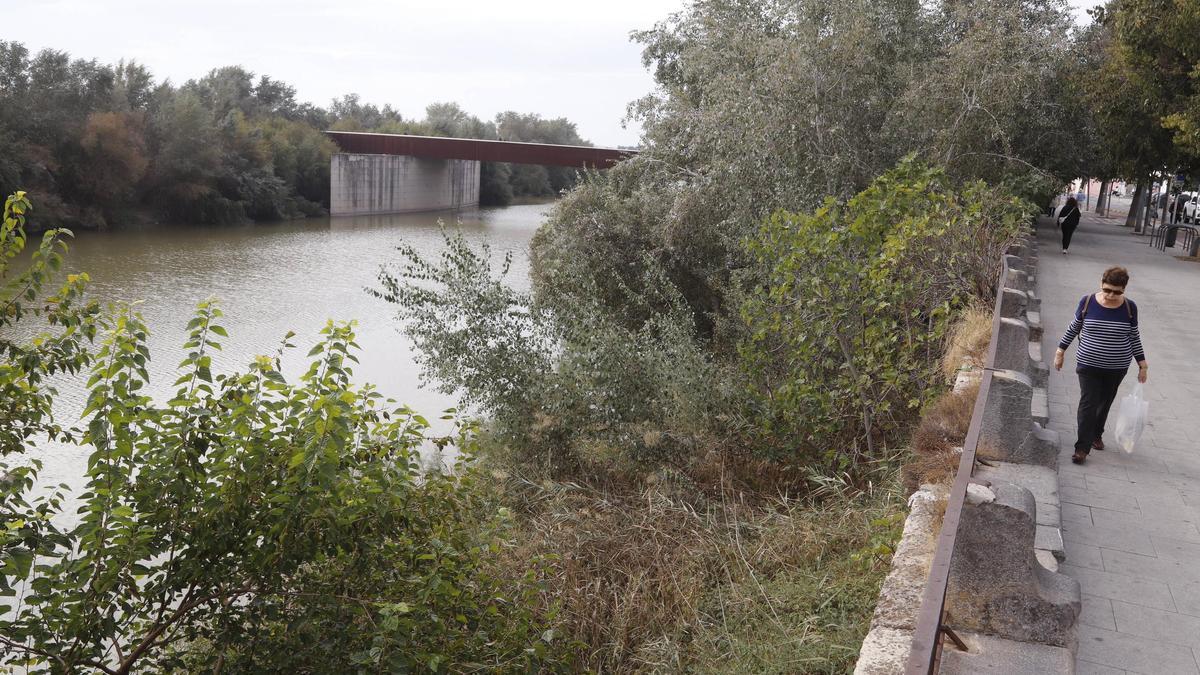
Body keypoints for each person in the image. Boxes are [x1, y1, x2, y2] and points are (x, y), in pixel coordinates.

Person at [1053, 266, 1148, 464]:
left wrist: (1142, 365)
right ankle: (1082, 448)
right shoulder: (1087, 302)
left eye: (1117, 292)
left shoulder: (1130, 308)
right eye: (1107, 290)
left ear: (1124, 289)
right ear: (1101, 284)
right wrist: (1060, 351)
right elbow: (1074, 327)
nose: (1111, 295)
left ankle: (1097, 433)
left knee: (1104, 402)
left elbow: (1134, 336)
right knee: (1088, 403)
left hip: (1117, 366)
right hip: (1088, 364)